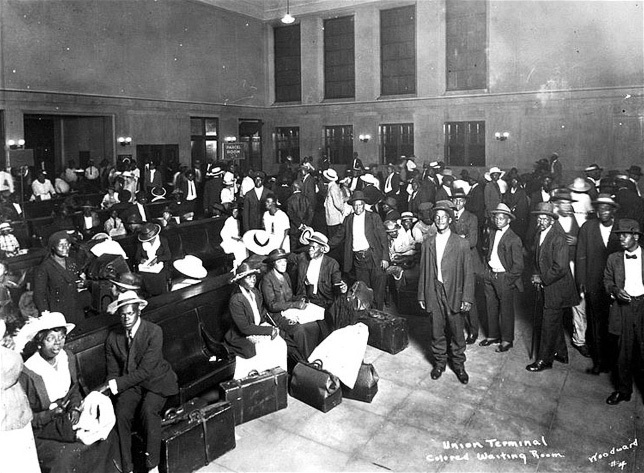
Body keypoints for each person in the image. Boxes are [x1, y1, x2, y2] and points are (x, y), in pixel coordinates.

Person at [19, 312, 117, 473]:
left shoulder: (67, 358)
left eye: (62, 337)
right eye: (51, 339)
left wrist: (74, 408)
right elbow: (27, 419)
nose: (57, 344)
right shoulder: (29, 373)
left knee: (106, 437)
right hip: (43, 430)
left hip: (69, 418)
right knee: (66, 458)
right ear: (39, 341)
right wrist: (51, 414)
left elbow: (74, 390)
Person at [97, 291, 178, 473]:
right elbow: (113, 372)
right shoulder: (113, 338)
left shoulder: (154, 332)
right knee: (121, 412)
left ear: (138, 311)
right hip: (132, 384)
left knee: (148, 411)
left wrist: (114, 385)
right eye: (122, 314)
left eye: (130, 313)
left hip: (157, 382)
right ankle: (128, 467)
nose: (126, 318)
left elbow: (145, 371)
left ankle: (152, 466)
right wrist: (109, 387)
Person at [417, 200, 473, 384]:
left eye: (444, 217)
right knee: (436, 330)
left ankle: (458, 365)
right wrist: (422, 295)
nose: (440, 220)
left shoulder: (461, 244)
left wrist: (467, 297)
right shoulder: (428, 243)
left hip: (454, 292)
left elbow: (468, 273)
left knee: (457, 332)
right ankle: (439, 363)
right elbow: (424, 271)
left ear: (450, 219)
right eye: (437, 217)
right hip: (434, 290)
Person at [526, 202, 580, 372]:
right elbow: (537, 258)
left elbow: (561, 267)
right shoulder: (539, 233)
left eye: (544, 219)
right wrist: (536, 274)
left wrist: (541, 279)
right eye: (539, 218)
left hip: (557, 288)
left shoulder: (558, 237)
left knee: (548, 323)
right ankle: (562, 353)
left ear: (551, 220)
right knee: (553, 320)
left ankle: (544, 360)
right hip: (548, 285)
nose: (541, 222)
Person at [576, 194, 622, 373]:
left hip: (617, 285)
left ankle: (616, 362)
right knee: (597, 323)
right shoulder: (588, 227)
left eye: (606, 208)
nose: (603, 211)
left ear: (613, 210)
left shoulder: (622, 228)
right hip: (594, 283)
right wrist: (581, 280)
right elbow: (581, 255)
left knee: (616, 324)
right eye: (600, 208)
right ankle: (600, 361)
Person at [603, 219, 644, 405]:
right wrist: (615, 291)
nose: (621, 239)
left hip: (643, 307)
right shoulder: (614, 258)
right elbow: (607, 282)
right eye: (619, 235)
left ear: (636, 236)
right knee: (623, 353)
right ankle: (623, 390)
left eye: (625, 235)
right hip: (623, 309)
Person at [224, 262, 288, 378]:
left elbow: (262, 312)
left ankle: (279, 378)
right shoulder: (236, 299)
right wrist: (269, 331)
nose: (253, 279)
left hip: (257, 327)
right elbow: (245, 328)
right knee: (266, 349)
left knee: (281, 344)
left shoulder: (254, 292)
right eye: (249, 277)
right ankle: (265, 380)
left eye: (254, 276)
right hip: (241, 336)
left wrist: (273, 325)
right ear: (241, 280)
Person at [329, 190, 389, 309]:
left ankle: (379, 315)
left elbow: (383, 238)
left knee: (378, 291)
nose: (358, 207)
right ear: (352, 206)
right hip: (359, 260)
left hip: (374, 257)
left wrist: (385, 258)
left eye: (360, 204)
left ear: (364, 204)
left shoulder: (373, 217)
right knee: (363, 290)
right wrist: (326, 245)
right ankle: (368, 316)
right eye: (355, 205)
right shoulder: (348, 219)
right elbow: (339, 236)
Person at [260, 249, 321, 360]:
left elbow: (290, 297)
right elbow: (272, 305)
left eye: (285, 260)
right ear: (273, 264)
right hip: (277, 316)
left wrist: (301, 298)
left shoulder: (286, 276)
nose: (284, 264)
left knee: (314, 325)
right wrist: (294, 304)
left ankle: (313, 358)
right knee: (300, 330)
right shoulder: (267, 280)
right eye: (279, 262)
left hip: (289, 311)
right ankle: (302, 361)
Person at [480, 203, 524, 351]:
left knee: (506, 309)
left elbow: (518, 265)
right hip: (490, 274)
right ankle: (492, 335)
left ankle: (506, 339)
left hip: (503, 277)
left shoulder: (514, 238)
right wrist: (486, 271)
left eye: (502, 218)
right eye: (496, 218)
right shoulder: (492, 232)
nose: (498, 221)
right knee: (490, 306)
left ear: (508, 220)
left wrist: (508, 279)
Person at [34, 231, 89, 325]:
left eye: (67, 245)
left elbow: (75, 281)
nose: (65, 248)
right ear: (53, 247)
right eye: (61, 245)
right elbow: (39, 294)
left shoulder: (72, 262)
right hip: (57, 310)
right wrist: (45, 314)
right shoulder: (45, 267)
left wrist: (80, 283)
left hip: (75, 307)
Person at [451, 189, 483, 344]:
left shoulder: (471, 217)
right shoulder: (449, 217)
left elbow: (472, 242)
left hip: (469, 262)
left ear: (465, 202)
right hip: (453, 262)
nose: (457, 203)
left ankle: (473, 331)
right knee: (455, 295)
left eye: (460, 200)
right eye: (455, 200)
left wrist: (455, 240)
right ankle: (458, 329)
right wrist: (461, 238)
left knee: (469, 297)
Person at [135, 223, 171, 296]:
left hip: (161, 267)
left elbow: (168, 256)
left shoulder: (163, 240)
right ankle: (149, 297)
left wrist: (157, 259)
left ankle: (162, 296)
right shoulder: (141, 244)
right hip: (147, 268)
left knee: (159, 276)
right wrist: (141, 260)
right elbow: (137, 257)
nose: (149, 241)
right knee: (143, 276)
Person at [323, 169, 345, 240]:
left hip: (334, 219)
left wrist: (342, 211)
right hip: (331, 218)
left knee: (334, 238)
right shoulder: (331, 186)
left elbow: (337, 204)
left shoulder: (333, 188)